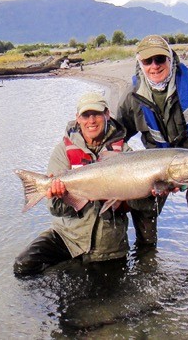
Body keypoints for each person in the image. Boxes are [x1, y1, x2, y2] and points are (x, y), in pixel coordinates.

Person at [117, 35, 188, 265]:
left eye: (160, 59)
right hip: (155, 165)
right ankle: (146, 251)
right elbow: (118, 136)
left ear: (170, 58)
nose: (154, 66)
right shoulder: (131, 97)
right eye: (148, 61)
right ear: (140, 63)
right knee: (140, 198)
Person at [13, 92, 134, 275]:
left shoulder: (125, 152)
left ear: (107, 115)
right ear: (78, 118)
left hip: (109, 246)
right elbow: (54, 209)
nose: (91, 121)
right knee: (23, 265)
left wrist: (155, 191)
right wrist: (61, 197)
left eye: (96, 114)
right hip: (67, 237)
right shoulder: (63, 151)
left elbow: (139, 204)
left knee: (97, 291)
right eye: (86, 115)